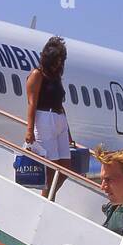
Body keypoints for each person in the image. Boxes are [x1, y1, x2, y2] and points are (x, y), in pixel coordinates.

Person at [25, 37, 73, 199]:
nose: (59, 64)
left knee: (66, 167)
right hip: (44, 118)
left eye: (61, 61)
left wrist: (69, 132)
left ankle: (49, 196)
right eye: (56, 60)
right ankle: (46, 199)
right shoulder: (37, 75)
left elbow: (60, 103)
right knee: (51, 167)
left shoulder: (56, 78)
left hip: (59, 119)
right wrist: (30, 129)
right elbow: (32, 103)